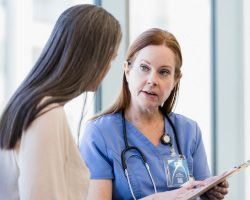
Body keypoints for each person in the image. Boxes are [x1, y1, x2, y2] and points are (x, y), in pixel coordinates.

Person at [80, 28, 229, 200]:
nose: (152, 80)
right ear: (127, 70)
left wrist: (209, 193)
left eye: (164, 72)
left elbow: (199, 191)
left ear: (175, 80)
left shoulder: (188, 130)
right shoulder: (100, 134)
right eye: (144, 68)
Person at [0, 4, 122, 200]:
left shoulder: (32, 104)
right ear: (91, 57)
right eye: (110, 58)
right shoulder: (45, 113)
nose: (108, 67)